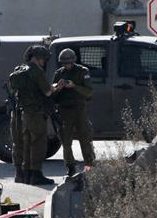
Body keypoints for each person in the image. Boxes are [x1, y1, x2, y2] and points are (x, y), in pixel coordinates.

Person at [12, 45, 65, 185]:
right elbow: (47, 92)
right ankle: (36, 174)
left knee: (26, 142)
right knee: (38, 142)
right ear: (37, 58)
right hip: (35, 112)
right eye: (43, 59)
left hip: (22, 111)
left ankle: (25, 174)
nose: (44, 62)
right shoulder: (37, 71)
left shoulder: (20, 69)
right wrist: (57, 87)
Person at [52, 48, 95, 176]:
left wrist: (74, 86)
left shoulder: (82, 72)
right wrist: (57, 88)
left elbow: (89, 92)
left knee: (85, 137)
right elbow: (53, 97)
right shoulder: (59, 73)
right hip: (64, 111)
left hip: (79, 109)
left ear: (73, 61)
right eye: (64, 63)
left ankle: (90, 165)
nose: (67, 65)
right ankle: (70, 166)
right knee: (65, 140)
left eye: (69, 63)